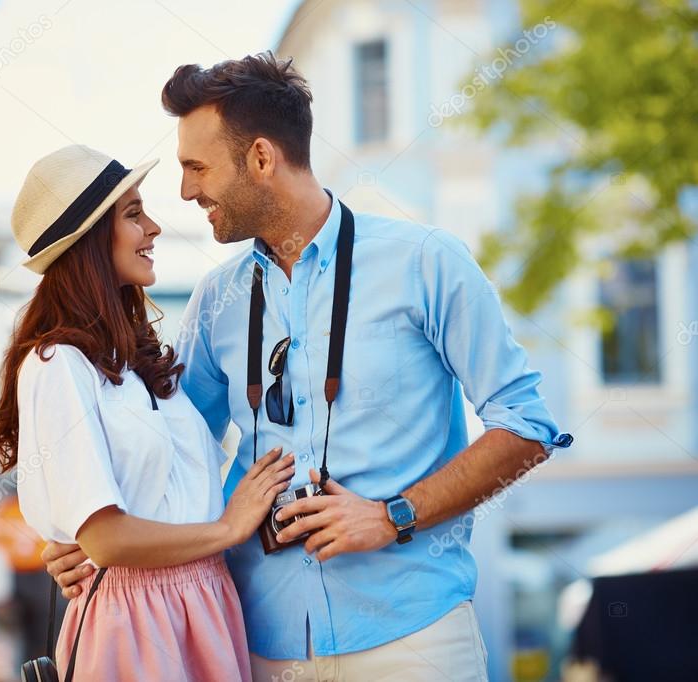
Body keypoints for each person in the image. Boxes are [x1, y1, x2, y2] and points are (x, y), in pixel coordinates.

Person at [43, 53, 573, 681]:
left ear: (261, 159)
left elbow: (527, 427)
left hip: (413, 640)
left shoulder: (428, 264)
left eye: (196, 167)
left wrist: (392, 514)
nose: (185, 190)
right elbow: (171, 455)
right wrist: (95, 537)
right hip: (264, 647)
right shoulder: (215, 301)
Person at [0, 144, 296, 681]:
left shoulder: (132, 361)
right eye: (132, 214)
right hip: (134, 617)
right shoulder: (56, 364)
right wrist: (228, 527)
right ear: (87, 242)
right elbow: (105, 539)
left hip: (205, 600)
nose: (153, 227)